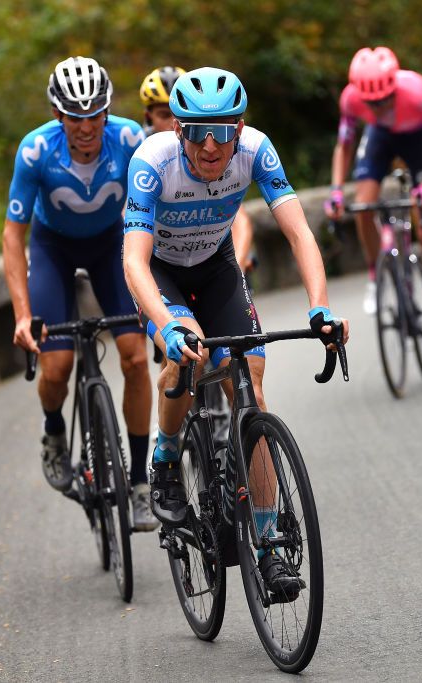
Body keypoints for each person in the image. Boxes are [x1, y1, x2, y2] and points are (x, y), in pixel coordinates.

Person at [123, 67, 349, 595]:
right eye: (197, 130)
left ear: (239, 128)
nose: (209, 144)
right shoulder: (151, 162)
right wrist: (166, 324)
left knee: (252, 382)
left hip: (217, 265)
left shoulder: (257, 150)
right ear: (178, 130)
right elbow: (133, 263)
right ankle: (165, 458)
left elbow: (298, 232)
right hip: (161, 271)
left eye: (222, 131)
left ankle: (268, 544)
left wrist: (321, 308)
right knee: (189, 356)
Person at [3, 56, 157, 531]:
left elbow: (154, 207)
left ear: (108, 112)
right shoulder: (35, 153)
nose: (87, 126)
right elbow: (13, 236)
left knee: (133, 357)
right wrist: (22, 315)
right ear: (57, 115)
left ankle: (138, 483)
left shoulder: (131, 139)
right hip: (52, 249)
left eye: (95, 115)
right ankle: (53, 432)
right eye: (75, 116)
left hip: (112, 244)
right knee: (58, 365)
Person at [324, 46, 422, 361]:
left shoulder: (417, 93)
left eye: (385, 100)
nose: (379, 106)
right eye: (372, 103)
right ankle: (376, 273)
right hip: (381, 138)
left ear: (394, 88)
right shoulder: (350, 99)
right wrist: (336, 191)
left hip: (420, 141)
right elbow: (344, 146)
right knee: (363, 205)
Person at [139, 65, 257, 276]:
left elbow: (239, 218)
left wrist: (238, 266)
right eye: (164, 114)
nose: (173, 123)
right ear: (148, 117)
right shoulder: (141, 150)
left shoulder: (216, 146)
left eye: (194, 117)